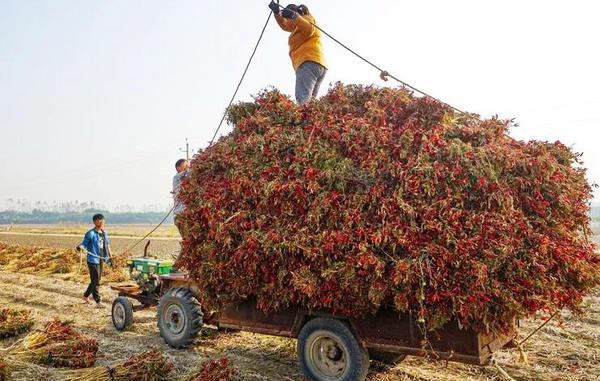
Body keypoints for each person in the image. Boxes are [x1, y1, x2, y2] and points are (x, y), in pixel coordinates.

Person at [268, 2, 328, 104]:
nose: (287, 22)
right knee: (310, 102)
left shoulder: (306, 18)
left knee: (303, 98)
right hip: (318, 64)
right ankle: (309, 118)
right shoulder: (297, 25)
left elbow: (309, 29)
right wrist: (277, 13)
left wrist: (294, 16)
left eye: (288, 18)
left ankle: (302, 119)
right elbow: (285, 25)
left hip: (307, 61)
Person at [76, 213, 112, 308]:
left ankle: (85, 296)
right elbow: (84, 244)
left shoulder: (104, 233)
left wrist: (111, 258)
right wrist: (80, 247)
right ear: (95, 221)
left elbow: (107, 246)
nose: (101, 222)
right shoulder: (90, 233)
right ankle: (98, 301)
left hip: (101, 259)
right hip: (92, 259)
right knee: (96, 280)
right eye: (99, 220)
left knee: (96, 280)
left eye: (102, 220)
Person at [172, 158, 189, 237]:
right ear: (178, 168)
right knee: (187, 239)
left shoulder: (185, 177)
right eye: (185, 165)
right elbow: (189, 172)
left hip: (185, 215)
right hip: (180, 215)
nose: (187, 167)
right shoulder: (177, 177)